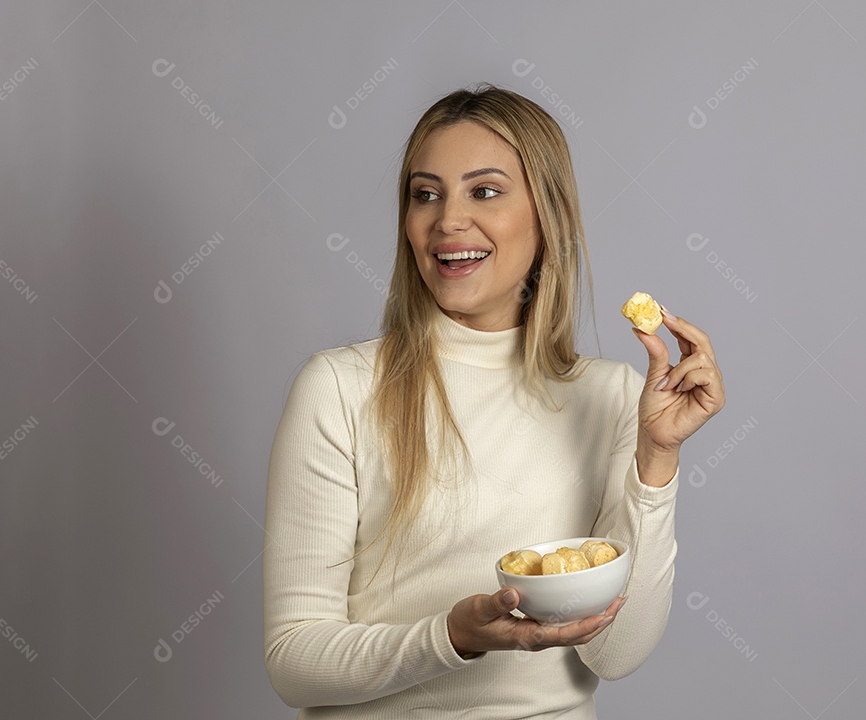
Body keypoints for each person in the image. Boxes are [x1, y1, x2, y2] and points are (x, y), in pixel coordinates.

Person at [264, 84, 725, 718]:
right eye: (426, 194)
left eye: (484, 192)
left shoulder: (614, 396)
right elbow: (294, 662)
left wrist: (657, 462)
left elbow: (616, 654)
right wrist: (452, 638)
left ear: (547, 216)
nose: (448, 221)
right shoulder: (339, 389)